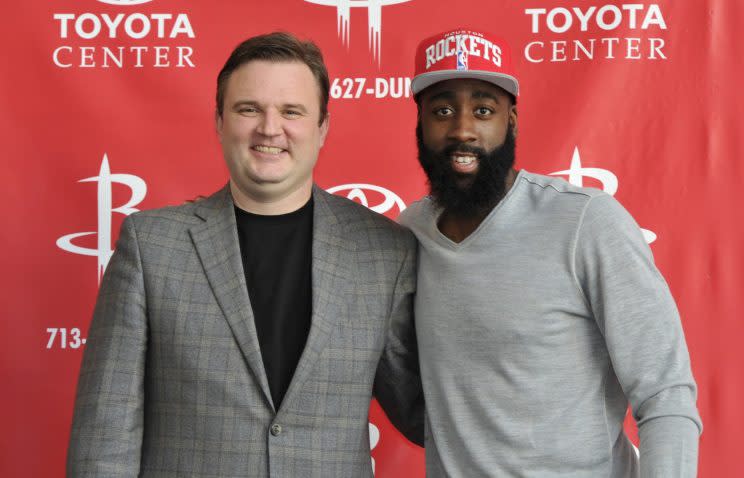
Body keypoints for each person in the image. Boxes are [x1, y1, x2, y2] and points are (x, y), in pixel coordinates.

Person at [67, 32, 422, 477]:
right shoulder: (150, 246)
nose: (270, 128)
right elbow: (105, 431)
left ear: (322, 127)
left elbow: (424, 412)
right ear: (219, 121)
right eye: (248, 109)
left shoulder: (384, 251)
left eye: (292, 111)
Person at [400, 28, 702, 477]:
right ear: (421, 125)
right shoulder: (410, 232)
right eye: (442, 110)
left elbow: (666, 393)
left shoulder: (586, 222)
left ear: (512, 121)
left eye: (483, 109)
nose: (462, 129)